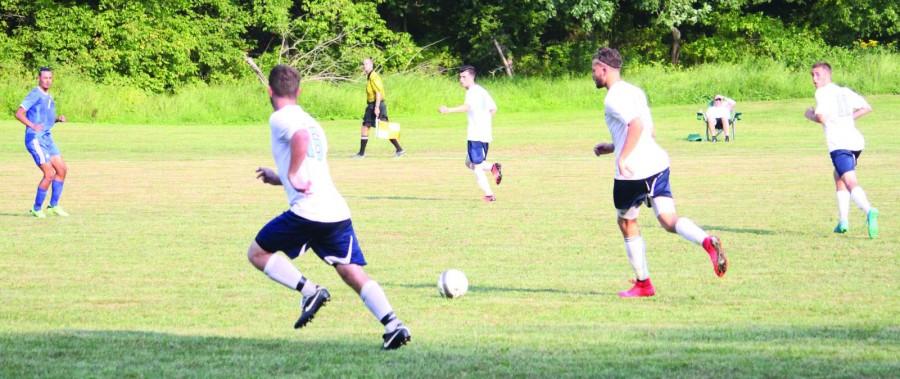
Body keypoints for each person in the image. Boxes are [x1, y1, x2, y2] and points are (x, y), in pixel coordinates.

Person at [249, 64, 411, 350]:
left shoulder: (280, 118)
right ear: (298, 91)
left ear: (269, 91)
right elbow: (308, 156)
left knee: (258, 253)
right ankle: (393, 324)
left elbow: (300, 140)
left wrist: (293, 174)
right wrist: (281, 177)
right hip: (335, 211)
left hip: (307, 212)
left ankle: (309, 291)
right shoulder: (310, 120)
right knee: (350, 271)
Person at [590, 47, 727, 298]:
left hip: (633, 173)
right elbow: (648, 132)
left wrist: (622, 157)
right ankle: (706, 241)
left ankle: (644, 284)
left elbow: (636, 125)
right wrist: (612, 146)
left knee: (626, 221)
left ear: (604, 69)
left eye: (594, 70)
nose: (592, 75)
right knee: (668, 220)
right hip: (658, 164)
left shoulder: (613, 98)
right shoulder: (635, 92)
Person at [804, 61, 878, 238]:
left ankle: (869, 211)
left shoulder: (822, 93)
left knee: (850, 180)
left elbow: (821, 118)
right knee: (838, 176)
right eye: (812, 75)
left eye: (817, 75)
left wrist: (810, 115)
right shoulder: (844, 91)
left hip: (839, 144)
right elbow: (866, 107)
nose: (814, 79)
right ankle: (843, 221)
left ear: (827, 75)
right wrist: (846, 119)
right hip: (856, 142)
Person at [439, 65, 503, 202]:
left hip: (476, 135)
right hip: (484, 134)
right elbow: (493, 109)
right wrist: (485, 121)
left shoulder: (472, 92)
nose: (461, 80)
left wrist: (448, 110)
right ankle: (493, 167)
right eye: (460, 77)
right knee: (469, 162)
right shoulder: (482, 91)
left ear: (472, 77)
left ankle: (489, 195)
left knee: (477, 167)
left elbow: (468, 107)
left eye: (464, 77)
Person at [15, 66, 69, 218]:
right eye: (45, 78)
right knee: (49, 173)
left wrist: (57, 119)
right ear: (39, 78)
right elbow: (19, 113)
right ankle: (36, 208)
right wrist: (31, 125)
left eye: (50, 78)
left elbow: (45, 119)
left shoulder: (49, 97)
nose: (48, 80)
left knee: (62, 170)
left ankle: (53, 206)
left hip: (47, 138)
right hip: (35, 139)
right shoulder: (35, 94)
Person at [353, 58, 405, 158]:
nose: (365, 66)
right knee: (365, 127)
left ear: (371, 65)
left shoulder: (374, 76)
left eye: (367, 64)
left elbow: (378, 93)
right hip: (371, 105)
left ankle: (399, 149)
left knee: (384, 128)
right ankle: (361, 153)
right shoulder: (369, 76)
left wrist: (377, 107)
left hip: (377, 105)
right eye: (363, 64)